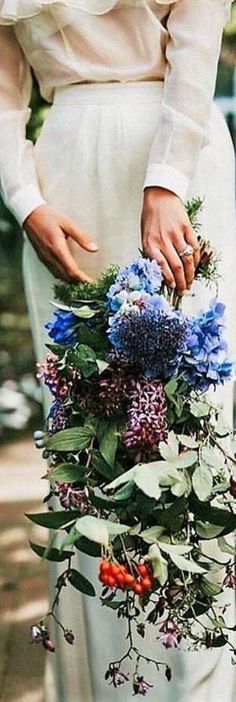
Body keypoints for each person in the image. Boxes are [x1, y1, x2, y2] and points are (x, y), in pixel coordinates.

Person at [0, 1, 235, 700]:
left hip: (180, 161)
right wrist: (22, 196)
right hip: (63, 179)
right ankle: (103, 680)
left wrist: (166, 181)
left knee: (192, 429)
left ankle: (198, 680)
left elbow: (195, 47)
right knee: (88, 447)